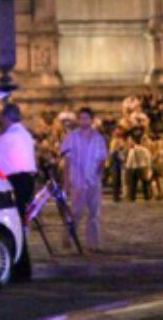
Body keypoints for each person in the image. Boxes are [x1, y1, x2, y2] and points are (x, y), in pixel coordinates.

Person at [0, 103, 37, 281]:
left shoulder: (8, 138)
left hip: (15, 182)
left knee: (13, 225)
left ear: (7, 118)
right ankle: (22, 268)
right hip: (27, 181)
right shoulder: (24, 134)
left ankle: (20, 268)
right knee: (19, 224)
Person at [60, 107, 109, 253]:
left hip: (93, 180)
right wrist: (66, 181)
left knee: (94, 213)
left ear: (92, 120)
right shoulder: (72, 137)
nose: (83, 121)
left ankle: (93, 244)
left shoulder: (98, 138)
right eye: (81, 118)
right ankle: (68, 235)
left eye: (86, 118)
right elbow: (67, 160)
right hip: (78, 180)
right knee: (76, 212)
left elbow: (102, 159)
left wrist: (99, 174)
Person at [124, 136, 152, 201]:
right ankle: (146, 197)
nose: (128, 142)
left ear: (134, 141)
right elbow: (148, 159)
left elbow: (129, 161)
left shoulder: (135, 150)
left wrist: (128, 168)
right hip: (142, 167)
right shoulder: (142, 150)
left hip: (138, 168)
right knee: (143, 184)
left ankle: (133, 198)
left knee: (134, 184)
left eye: (130, 141)